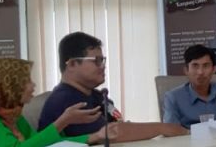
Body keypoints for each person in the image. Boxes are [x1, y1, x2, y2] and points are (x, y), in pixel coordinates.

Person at [38, 32, 187, 138]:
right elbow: (111, 134)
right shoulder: (66, 99)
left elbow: (118, 122)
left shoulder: (96, 95)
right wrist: (162, 128)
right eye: (96, 61)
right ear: (71, 64)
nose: (102, 66)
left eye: (103, 60)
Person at [163, 45, 216, 127]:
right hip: (189, 135)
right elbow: (171, 130)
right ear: (186, 70)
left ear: (214, 69)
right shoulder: (173, 98)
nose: (200, 72)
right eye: (195, 66)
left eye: (205, 66)